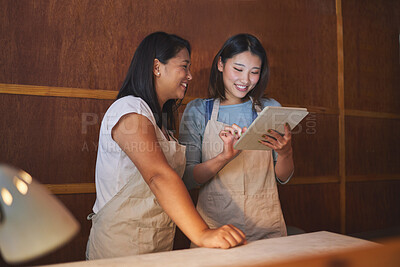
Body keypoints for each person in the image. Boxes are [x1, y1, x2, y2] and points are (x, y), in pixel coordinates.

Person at [86, 32, 246, 260]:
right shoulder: (130, 109)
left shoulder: (161, 122)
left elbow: (177, 181)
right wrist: (202, 233)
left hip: (158, 244)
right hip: (121, 248)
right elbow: (158, 176)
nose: (190, 76)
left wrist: (223, 157)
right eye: (184, 66)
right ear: (156, 67)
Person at [179, 33, 294, 243]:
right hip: (215, 229)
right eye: (238, 69)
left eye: (254, 72)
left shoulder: (270, 109)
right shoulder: (197, 111)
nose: (245, 80)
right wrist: (223, 157)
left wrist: (285, 153)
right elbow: (187, 178)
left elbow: (283, 177)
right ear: (221, 64)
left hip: (266, 228)